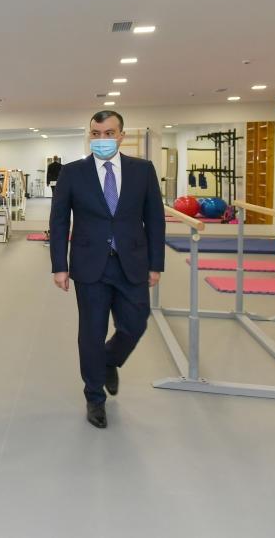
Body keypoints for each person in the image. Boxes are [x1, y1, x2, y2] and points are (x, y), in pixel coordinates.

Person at [48, 110, 165, 429]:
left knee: (136, 322)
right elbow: (59, 221)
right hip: (90, 265)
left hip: (132, 262)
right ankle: (94, 397)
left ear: (121, 136)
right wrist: (59, 265)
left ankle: (109, 359)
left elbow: (155, 219)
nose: (102, 139)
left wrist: (156, 263)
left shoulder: (142, 170)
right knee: (91, 332)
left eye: (109, 133)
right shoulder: (73, 173)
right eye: (96, 134)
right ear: (90, 135)